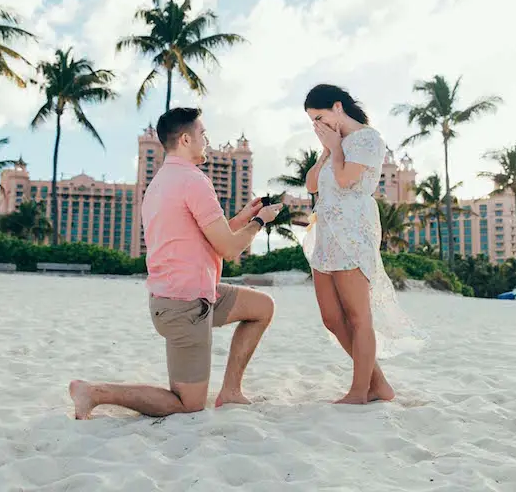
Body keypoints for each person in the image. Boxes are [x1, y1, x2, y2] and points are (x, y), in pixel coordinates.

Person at [69, 107, 283, 419]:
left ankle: (231, 392)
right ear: (185, 139)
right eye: (203, 135)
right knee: (187, 404)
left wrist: (244, 218)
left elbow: (211, 236)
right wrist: (261, 222)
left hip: (192, 295)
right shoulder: (194, 181)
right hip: (184, 305)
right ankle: (95, 392)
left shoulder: (160, 183)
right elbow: (228, 248)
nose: (207, 140)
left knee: (262, 307)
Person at [302, 83, 420, 405]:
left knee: (358, 316)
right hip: (325, 232)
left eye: (320, 117)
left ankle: (359, 391)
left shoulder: (368, 138)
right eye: (312, 121)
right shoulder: (332, 144)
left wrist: (336, 149)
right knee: (331, 317)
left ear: (337, 107)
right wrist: (327, 151)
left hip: (353, 230)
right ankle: (379, 384)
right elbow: (312, 184)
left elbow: (344, 180)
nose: (318, 126)